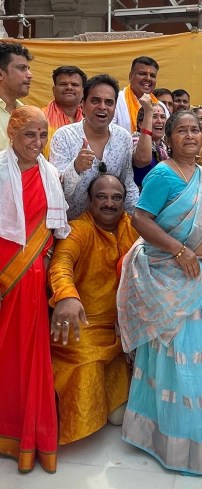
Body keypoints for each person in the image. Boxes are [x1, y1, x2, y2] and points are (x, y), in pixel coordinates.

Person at [116, 110, 202, 474]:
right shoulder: (162, 173)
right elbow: (139, 218)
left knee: (197, 351)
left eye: (195, 130)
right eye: (182, 130)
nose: (189, 135)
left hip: (197, 276)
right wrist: (179, 250)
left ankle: (201, 434)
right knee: (172, 354)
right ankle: (165, 434)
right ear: (167, 138)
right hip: (166, 274)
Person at [0, 105, 70, 473]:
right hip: (3, 276)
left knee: (30, 355)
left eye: (43, 135)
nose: (37, 143)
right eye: (30, 135)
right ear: (12, 134)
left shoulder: (51, 174)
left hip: (32, 279)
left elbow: (56, 232)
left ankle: (28, 436)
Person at [48, 174, 138, 445]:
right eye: (102, 197)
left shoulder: (133, 228)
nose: (109, 203)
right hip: (83, 326)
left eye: (116, 197)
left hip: (121, 330)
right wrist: (66, 297)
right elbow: (61, 264)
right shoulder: (78, 230)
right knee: (84, 364)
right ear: (89, 200)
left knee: (119, 415)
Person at [49, 74, 139, 219]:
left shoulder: (123, 138)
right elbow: (56, 191)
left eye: (109, 102)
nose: (102, 107)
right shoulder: (64, 136)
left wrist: (137, 221)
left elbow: (128, 184)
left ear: (115, 107)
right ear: (83, 104)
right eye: (95, 100)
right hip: (72, 228)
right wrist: (76, 168)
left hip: (110, 227)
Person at [113, 56, 168, 133]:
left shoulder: (161, 107)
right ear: (130, 76)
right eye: (142, 74)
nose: (148, 78)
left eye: (152, 75)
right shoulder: (116, 101)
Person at [42, 65, 86, 159]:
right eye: (63, 84)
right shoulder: (39, 118)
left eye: (75, 85)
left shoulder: (90, 119)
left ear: (83, 92)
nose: (69, 87)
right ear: (54, 90)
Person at [0, 42, 33, 151]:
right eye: (22, 68)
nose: (29, 75)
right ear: (1, 74)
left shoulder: (26, 113)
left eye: (28, 68)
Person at [132, 95, 169, 188]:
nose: (160, 121)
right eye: (154, 116)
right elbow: (143, 159)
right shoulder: (133, 142)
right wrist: (148, 111)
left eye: (163, 117)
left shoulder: (165, 147)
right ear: (141, 124)